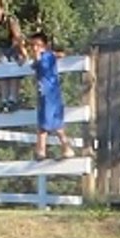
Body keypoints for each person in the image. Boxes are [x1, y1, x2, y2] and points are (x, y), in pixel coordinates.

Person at [27, 32, 75, 160]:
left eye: (37, 45)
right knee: (55, 124)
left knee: (44, 124)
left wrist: (39, 57)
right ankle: (66, 148)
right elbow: (35, 65)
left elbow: (42, 65)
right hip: (45, 94)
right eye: (32, 45)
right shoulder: (45, 57)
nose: (34, 48)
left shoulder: (46, 57)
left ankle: (41, 151)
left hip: (49, 95)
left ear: (44, 46)